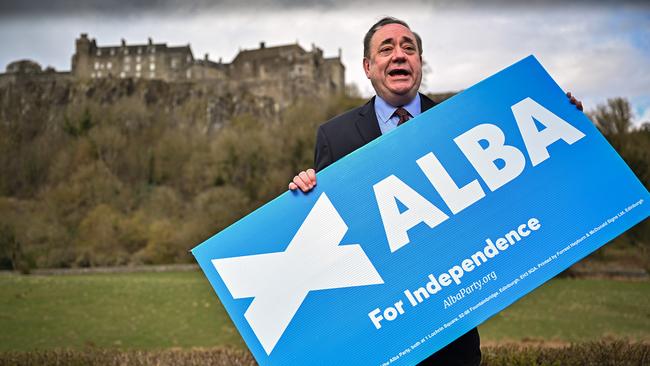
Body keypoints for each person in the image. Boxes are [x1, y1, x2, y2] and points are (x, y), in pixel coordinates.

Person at [288, 17, 583, 365]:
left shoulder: (461, 121)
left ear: (419, 63)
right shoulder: (333, 136)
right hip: (378, 335)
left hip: (452, 342)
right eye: (386, 49)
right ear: (368, 67)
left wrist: (563, 126)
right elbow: (325, 235)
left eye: (408, 48)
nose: (399, 55)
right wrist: (301, 194)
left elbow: (517, 194)